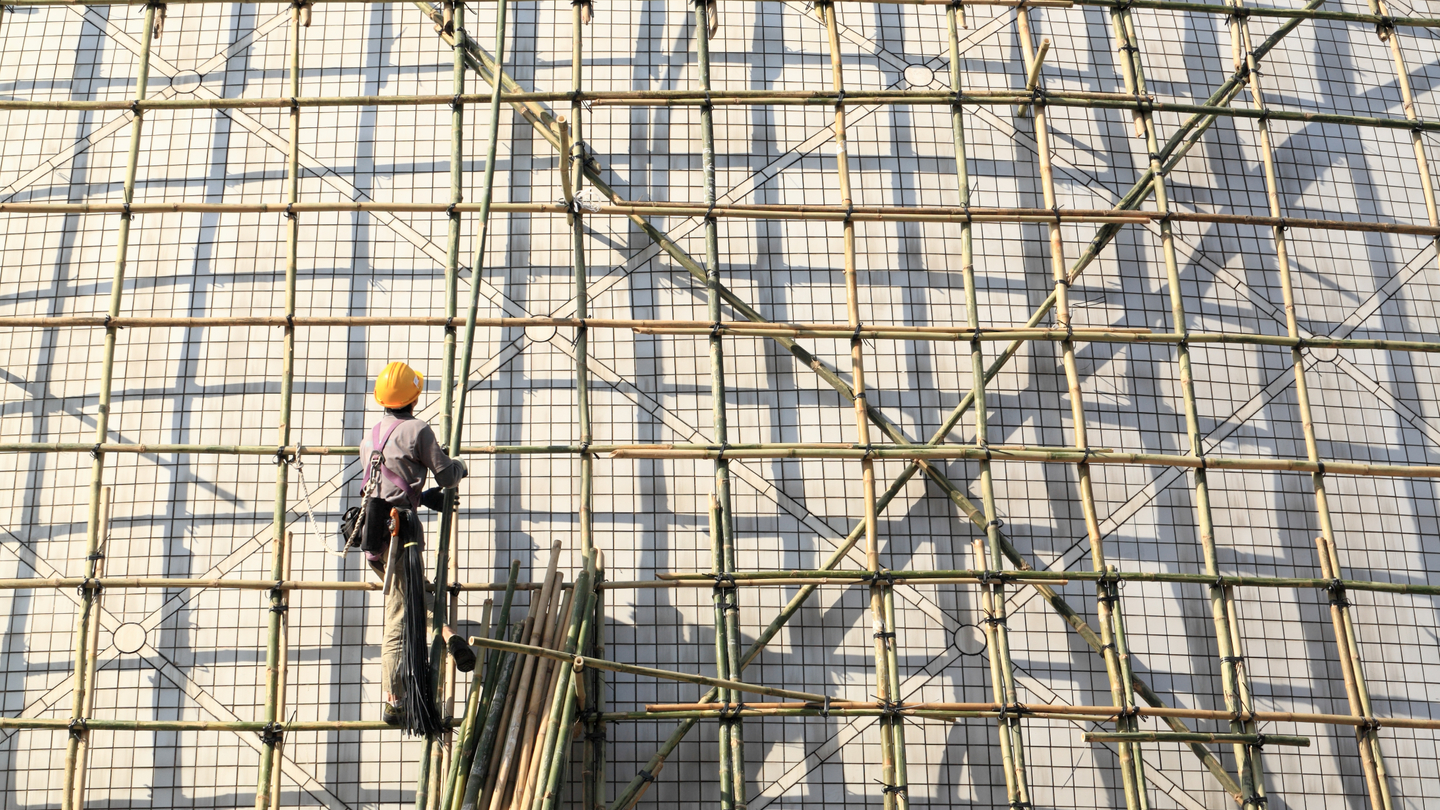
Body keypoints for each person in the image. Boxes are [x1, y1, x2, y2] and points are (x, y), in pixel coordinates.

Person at [355, 361, 476, 729]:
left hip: (373, 535)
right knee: (400, 614)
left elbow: (389, 488)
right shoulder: (418, 430)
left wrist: (423, 498)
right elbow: (445, 474)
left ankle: (450, 637)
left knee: (414, 599)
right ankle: (393, 699)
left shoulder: (371, 437)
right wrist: (459, 468)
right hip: (401, 536)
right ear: (415, 396)